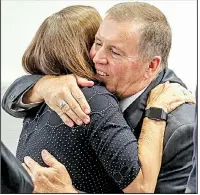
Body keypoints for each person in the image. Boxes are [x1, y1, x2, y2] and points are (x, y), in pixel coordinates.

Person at [2, 2, 196, 193]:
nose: (96, 58)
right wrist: (44, 85)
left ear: (151, 66)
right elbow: (11, 98)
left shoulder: (181, 129)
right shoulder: (79, 87)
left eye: (115, 52)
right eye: (98, 43)